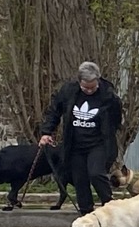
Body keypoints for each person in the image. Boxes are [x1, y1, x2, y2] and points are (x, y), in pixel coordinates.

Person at [37, 60, 123, 217]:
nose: (89, 91)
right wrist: (46, 132)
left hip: (99, 143)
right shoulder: (68, 91)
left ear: (98, 80)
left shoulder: (108, 95)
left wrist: (110, 131)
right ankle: (86, 213)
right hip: (75, 144)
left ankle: (110, 206)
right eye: (85, 88)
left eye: (92, 87)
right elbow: (54, 112)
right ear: (79, 81)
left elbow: (117, 118)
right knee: (79, 179)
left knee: (96, 173)